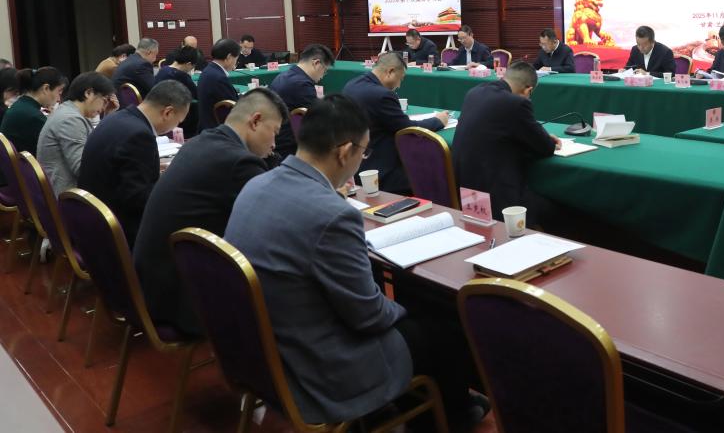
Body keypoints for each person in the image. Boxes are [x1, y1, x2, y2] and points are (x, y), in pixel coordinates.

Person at [226, 95, 483, 429]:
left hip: (261, 354)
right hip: (317, 368)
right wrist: (407, 312)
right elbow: (369, 315)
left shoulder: (255, 184)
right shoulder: (333, 215)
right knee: (444, 329)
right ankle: (450, 419)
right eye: (364, 153)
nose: (361, 160)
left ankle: (421, 402)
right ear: (345, 152)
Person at [134, 88, 285, 336]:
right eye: (274, 133)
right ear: (255, 121)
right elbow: (278, 218)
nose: (274, 144)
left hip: (152, 284)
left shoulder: (202, 141)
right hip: (182, 301)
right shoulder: (239, 162)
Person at [78, 80, 191, 246]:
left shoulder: (116, 118)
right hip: (117, 234)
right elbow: (139, 200)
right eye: (179, 121)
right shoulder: (139, 135)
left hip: (91, 219)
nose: (177, 125)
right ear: (167, 112)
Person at [452, 61, 559, 224]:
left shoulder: (474, 92)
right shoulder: (517, 103)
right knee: (562, 212)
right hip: (499, 201)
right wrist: (547, 139)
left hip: (465, 193)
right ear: (528, 90)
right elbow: (546, 148)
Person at [343, 52, 447, 194]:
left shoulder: (351, 85)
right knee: (432, 175)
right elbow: (407, 128)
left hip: (355, 165)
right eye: (400, 79)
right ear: (390, 71)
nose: (399, 85)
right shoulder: (383, 95)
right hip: (382, 170)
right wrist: (438, 121)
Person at [36, 72, 116, 196]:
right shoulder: (70, 119)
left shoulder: (66, 111)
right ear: (88, 93)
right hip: (69, 197)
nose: (104, 107)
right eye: (104, 100)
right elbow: (83, 169)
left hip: (65, 191)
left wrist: (108, 116)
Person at [268, 43, 334, 156]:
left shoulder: (282, 76)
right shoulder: (302, 84)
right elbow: (320, 118)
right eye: (325, 70)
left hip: (276, 141)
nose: (323, 75)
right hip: (289, 148)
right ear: (316, 63)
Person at [0, 67, 66, 154]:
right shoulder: (32, 116)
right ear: (46, 88)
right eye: (59, 92)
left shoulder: (22, 106)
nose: (58, 99)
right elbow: (61, 145)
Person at [197, 38, 240, 131]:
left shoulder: (208, 70)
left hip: (206, 126)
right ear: (229, 57)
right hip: (217, 129)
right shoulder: (219, 78)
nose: (235, 63)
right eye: (236, 59)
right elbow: (234, 108)